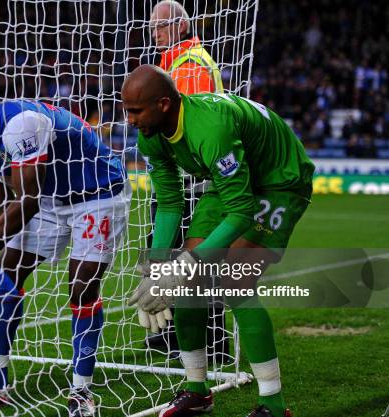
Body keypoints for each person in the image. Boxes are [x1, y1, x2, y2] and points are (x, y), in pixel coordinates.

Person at [0, 82, 131, 417]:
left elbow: (26, 202)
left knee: (81, 286)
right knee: (7, 272)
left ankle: (81, 392)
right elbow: (1, 211)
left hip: (99, 192)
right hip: (51, 200)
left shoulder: (19, 123)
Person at [123, 65, 314, 417]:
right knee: (186, 285)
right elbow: (168, 202)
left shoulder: (209, 129)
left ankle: (273, 405)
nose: (130, 120)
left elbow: (242, 212)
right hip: (232, 180)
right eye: (127, 110)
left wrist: (184, 262)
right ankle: (198, 391)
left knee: (234, 281)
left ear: (164, 104)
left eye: (136, 111)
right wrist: (156, 267)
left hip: (278, 179)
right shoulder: (150, 135)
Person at [145, 0, 228, 359]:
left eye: (160, 28)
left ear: (180, 26)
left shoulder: (189, 66)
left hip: (189, 181)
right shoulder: (180, 62)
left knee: (189, 260)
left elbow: (187, 127)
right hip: (188, 179)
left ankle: (204, 342)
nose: (155, 34)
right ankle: (176, 337)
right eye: (152, 29)